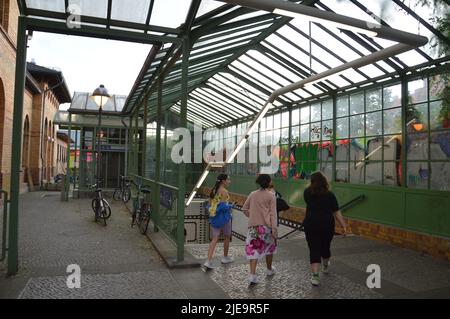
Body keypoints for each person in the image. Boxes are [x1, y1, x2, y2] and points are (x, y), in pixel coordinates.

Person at [303, 171, 347, 286]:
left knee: (314, 249)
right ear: (324, 181)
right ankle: (326, 265)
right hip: (327, 225)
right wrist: (343, 225)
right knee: (325, 247)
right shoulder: (330, 195)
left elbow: (309, 204)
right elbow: (336, 212)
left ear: (312, 181)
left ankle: (315, 276)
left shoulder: (307, 192)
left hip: (310, 224)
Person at [242, 174, 278, 285]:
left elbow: (244, 208)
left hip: (254, 227)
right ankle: (269, 269)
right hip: (266, 227)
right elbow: (273, 214)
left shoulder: (252, 194)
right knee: (269, 248)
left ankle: (252, 275)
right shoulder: (271, 195)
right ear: (268, 182)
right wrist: (274, 228)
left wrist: (252, 216)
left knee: (254, 250)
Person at [203, 174, 234, 269]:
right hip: (224, 218)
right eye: (228, 179)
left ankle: (208, 261)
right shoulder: (224, 191)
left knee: (214, 239)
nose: (229, 181)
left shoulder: (213, 190)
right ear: (223, 181)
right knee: (227, 236)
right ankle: (225, 257)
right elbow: (223, 207)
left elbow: (209, 204)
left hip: (214, 218)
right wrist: (230, 206)